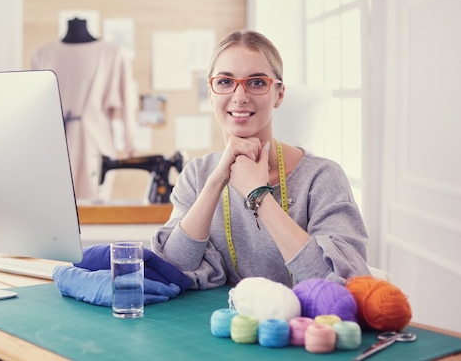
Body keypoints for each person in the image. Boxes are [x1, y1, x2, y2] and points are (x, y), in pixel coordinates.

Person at [151, 30, 370, 290]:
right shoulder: (197, 175)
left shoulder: (322, 178)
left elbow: (337, 284)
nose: (240, 96)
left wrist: (259, 196)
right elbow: (175, 268)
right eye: (224, 82)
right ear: (210, 94)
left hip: (303, 327)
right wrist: (216, 180)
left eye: (256, 82)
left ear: (279, 94)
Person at [31, 18, 135, 201]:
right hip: (56, 142)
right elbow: (34, 108)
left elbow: (127, 100)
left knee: (94, 202)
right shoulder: (42, 54)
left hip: (95, 140)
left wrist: (130, 142)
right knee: (58, 203)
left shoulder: (112, 53)